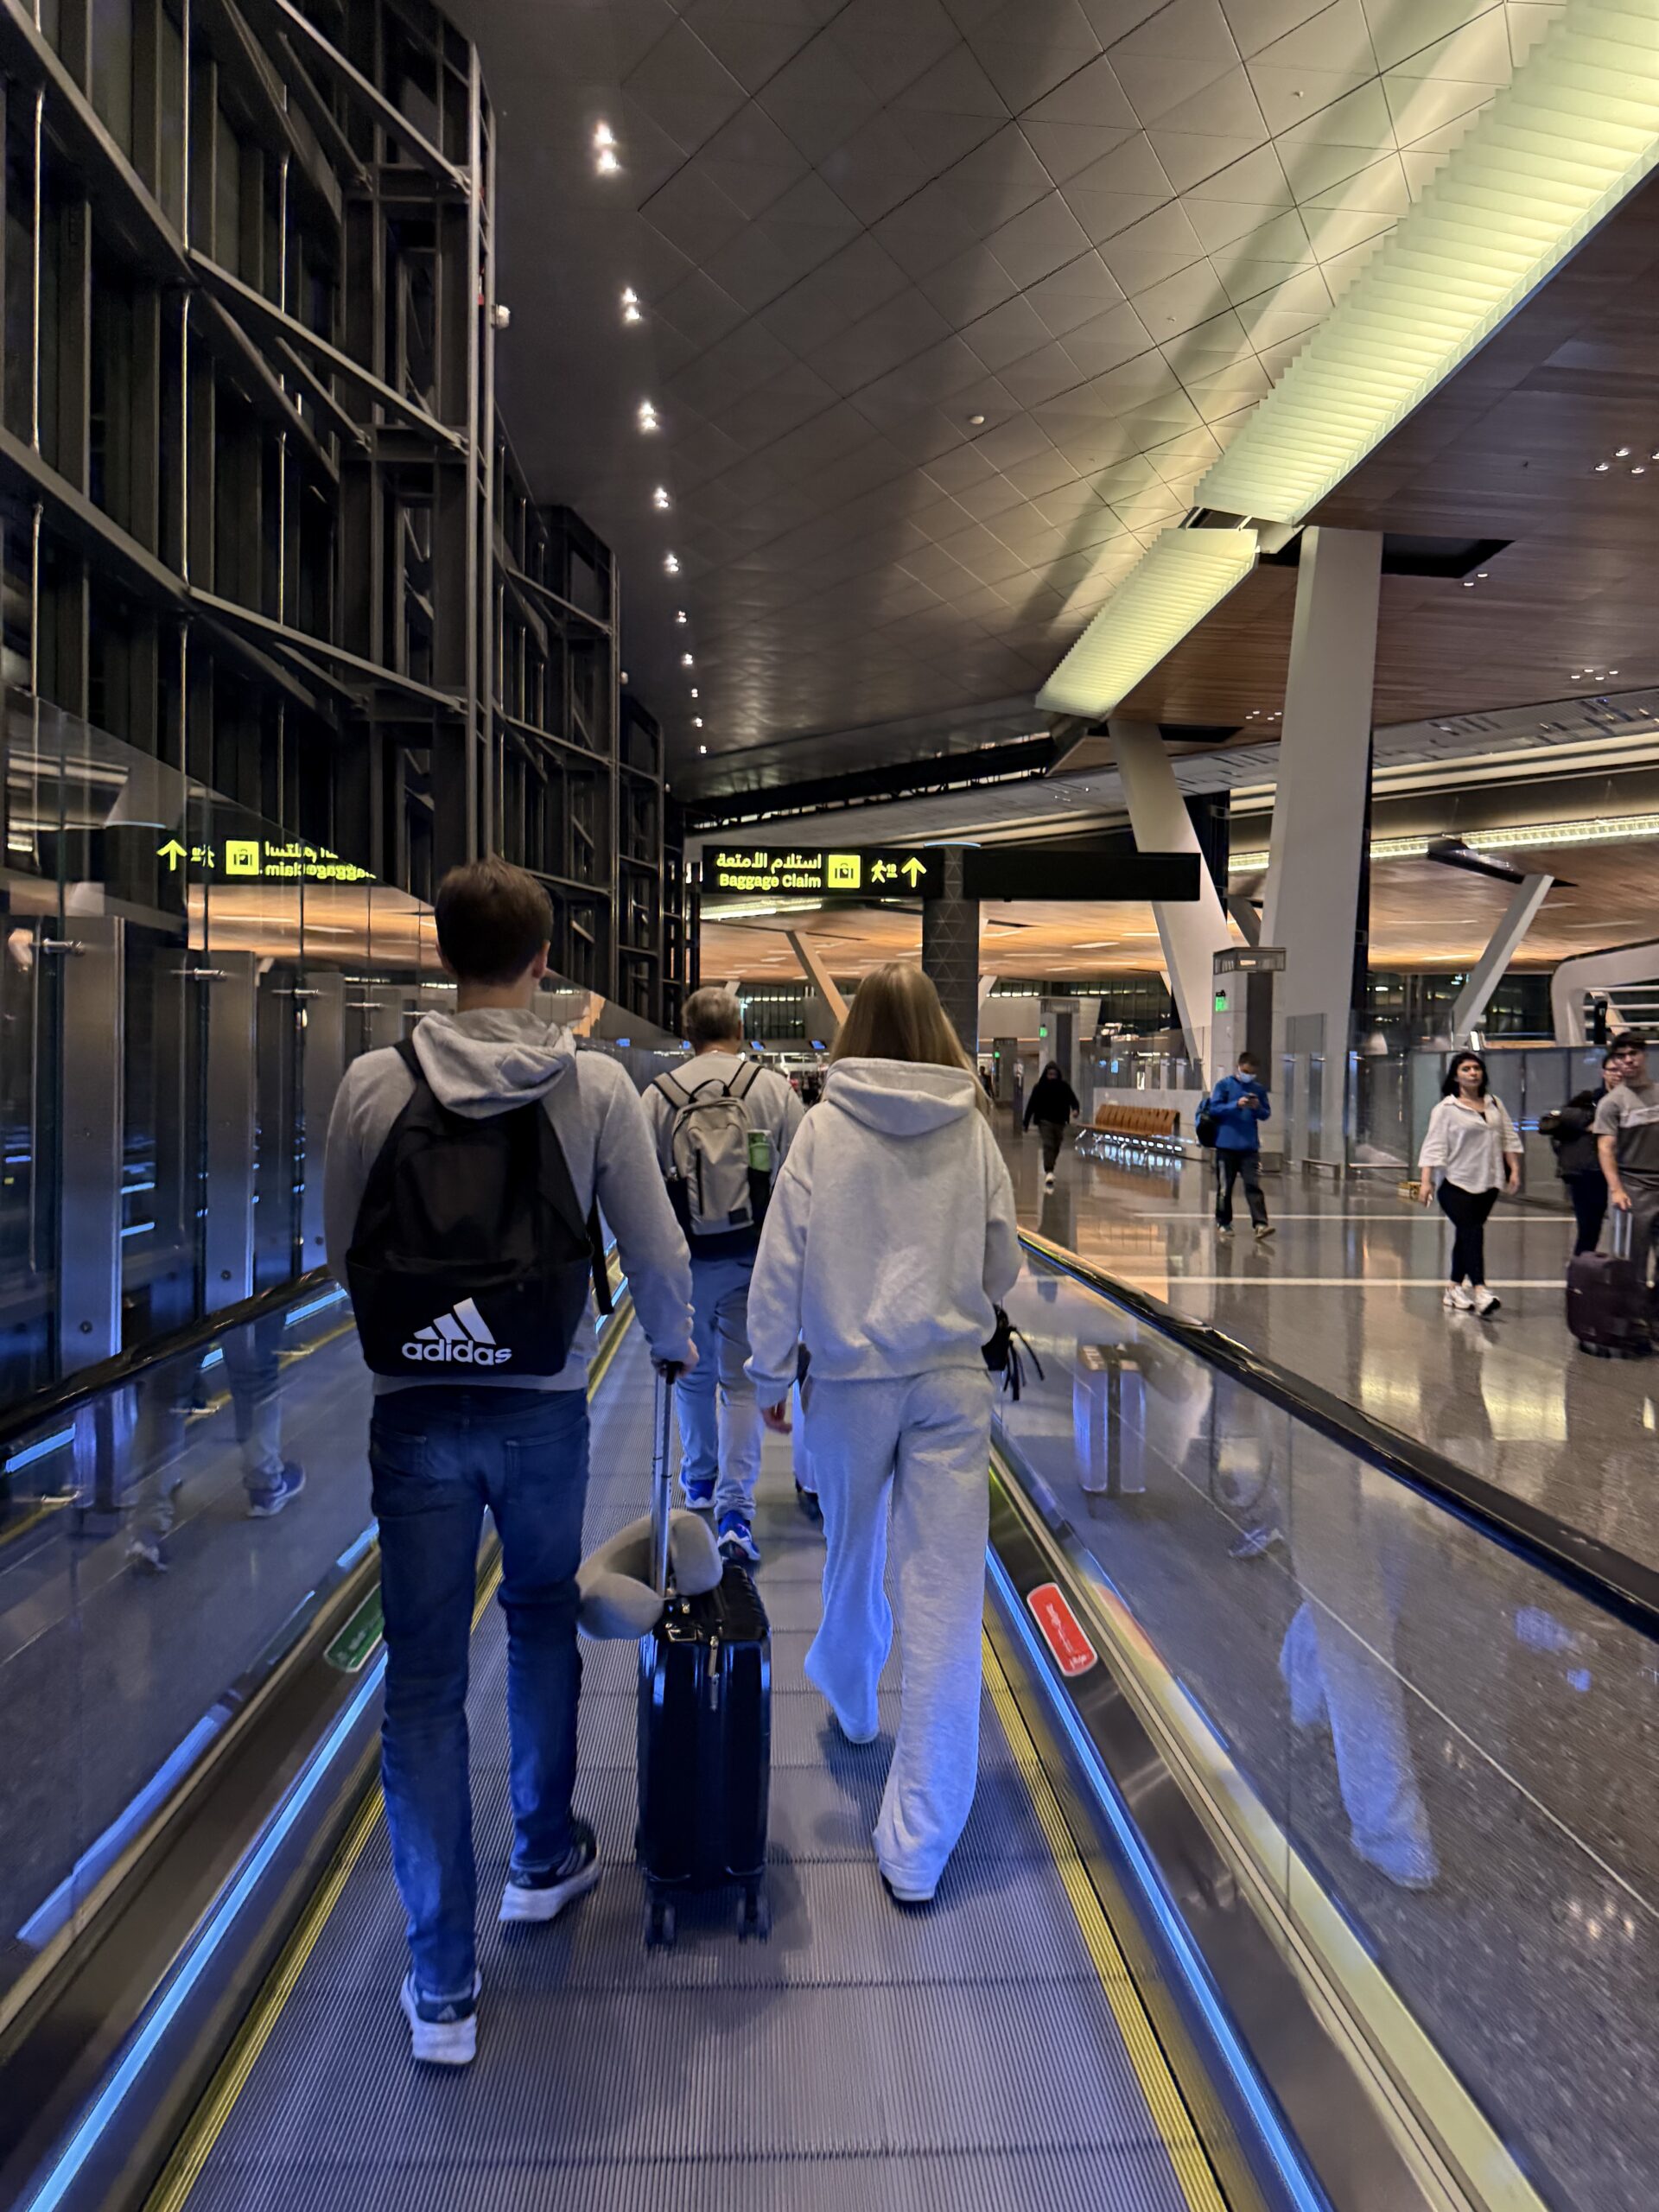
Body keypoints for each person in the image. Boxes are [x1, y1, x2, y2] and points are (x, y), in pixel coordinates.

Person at [324, 858, 694, 2066]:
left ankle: (441, 1985)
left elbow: (341, 1249)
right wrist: (678, 1350)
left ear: (442, 955)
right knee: (539, 1621)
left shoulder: (374, 1083)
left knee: (424, 1682)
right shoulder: (593, 1085)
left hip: (414, 1414)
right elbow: (655, 1250)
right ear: (546, 963)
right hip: (542, 1405)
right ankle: (541, 1857)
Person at [747, 963, 1020, 1909]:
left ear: (855, 1027)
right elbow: (1003, 1265)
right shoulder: (972, 1130)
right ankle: (920, 1839)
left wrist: (769, 1373)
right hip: (950, 1382)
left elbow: (781, 1259)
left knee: (853, 1549)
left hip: (850, 1382)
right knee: (944, 1597)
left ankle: (853, 1692)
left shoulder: (823, 1127)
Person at [643, 988, 801, 1563]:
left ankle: (700, 1481)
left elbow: (639, 1188)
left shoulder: (658, 1095)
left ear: (688, 1035)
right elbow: (799, 1177)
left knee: (692, 1374)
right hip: (752, 1260)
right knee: (741, 1383)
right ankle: (737, 1512)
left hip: (684, 1262)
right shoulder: (771, 1089)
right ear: (739, 1029)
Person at [1417, 1051, 1522, 1315]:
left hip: (1489, 1182)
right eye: (1466, 1069)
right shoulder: (1446, 1109)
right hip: (1456, 1184)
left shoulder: (1494, 1104)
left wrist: (1514, 1169)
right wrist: (1426, 1181)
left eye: (1476, 1068)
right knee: (1473, 1232)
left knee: (1467, 1235)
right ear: (1456, 1076)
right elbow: (1433, 1145)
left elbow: (1507, 1137)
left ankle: (1453, 1288)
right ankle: (1480, 1290)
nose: (1473, 1073)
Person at [1541, 1048, 1627, 1255]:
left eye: (1621, 1070)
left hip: (1626, 1172)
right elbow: (1551, 1122)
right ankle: (1581, 1270)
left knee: (1627, 1230)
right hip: (1589, 1173)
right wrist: (1592, 1122)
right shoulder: (1588, 1100)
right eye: (1612, 1070)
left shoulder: (1635, 1102)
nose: (1617, 1074)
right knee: (1589, 1229)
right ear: (1603, 1073)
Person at [1595, 1032, 1659, 1279]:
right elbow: (1606, 1148)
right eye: (1621, 1056)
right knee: (1630, 1263)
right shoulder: (1612, 1103)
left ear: (1644, 1056)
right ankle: (1632, 1303)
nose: (1628, 1060)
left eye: (1634, 1053)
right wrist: (1616, 1190)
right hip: (1633, 1190)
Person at [1208, 1052, 1274, 1241]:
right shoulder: (1224, 1086)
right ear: (1238, 1067)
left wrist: (1257, 1107)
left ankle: (1261, 1224)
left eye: (1252, 1073)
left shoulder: (1258, 1090)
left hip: (1249, 1148)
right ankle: (1223, 1222)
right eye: (1246, 1071)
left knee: (1253, 1185)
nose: (1248, 1075)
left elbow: (1265, 1114)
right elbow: (1214, 1109)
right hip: (1226, 1146)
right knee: (1225, 1188)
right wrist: (1235, 1105)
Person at [1023, 1059, 1079, 1190]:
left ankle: (1050, 1167)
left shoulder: (1064, 1087)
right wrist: (1026, 1122)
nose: (1052, 1077)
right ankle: (1049, 1170)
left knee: (1056, 1145)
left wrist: (1075, 1109)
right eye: (1050, 1074)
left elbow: (1073, 1100)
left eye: (1054, 1074)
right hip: (1044, 1121)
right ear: (1046, 1074)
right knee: (1048, 1144)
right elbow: (1031, 1105)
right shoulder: (1039, 1088)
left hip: (1060, 1121)